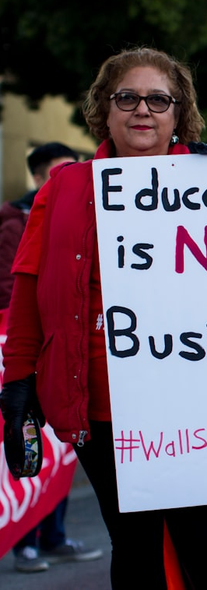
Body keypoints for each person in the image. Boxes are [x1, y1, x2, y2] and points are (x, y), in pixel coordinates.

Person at [0, 47, 207, 589]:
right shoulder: (62, 190)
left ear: (179, 113)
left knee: (204, 537)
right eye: (127, 98)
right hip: (100, 402)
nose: (143, 110)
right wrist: (18, 380)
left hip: (196, 399)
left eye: (159, 99)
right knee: (133, 541)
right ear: (103, 111)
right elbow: (27, 290)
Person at [0, 141, 104, 573]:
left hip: (79, 360)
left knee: (56, 466)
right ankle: (26, 545)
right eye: (61, 169)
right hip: (51, 360)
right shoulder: (14, 224)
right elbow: (17, 288)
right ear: (42, 176)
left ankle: (54, 536)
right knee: (29, 460)